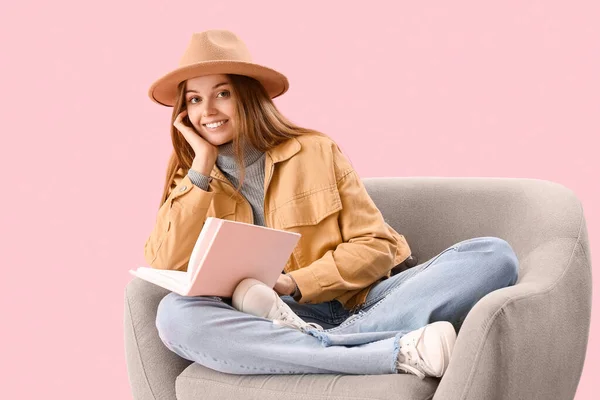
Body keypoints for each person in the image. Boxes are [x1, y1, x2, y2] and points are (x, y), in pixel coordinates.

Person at [146, 29, 519, 379]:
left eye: (222, 93)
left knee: (492, 256)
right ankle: (395, 350)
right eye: (194, 99)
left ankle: (333, 344)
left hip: (366, 300)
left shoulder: (315, 151)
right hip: (270, 319)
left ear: (248, 96)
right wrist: (201, 165)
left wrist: (292, 282)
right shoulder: (191, 180)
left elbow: (376, 246)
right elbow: (164, 264)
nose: (207, 110)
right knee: (175, 316)